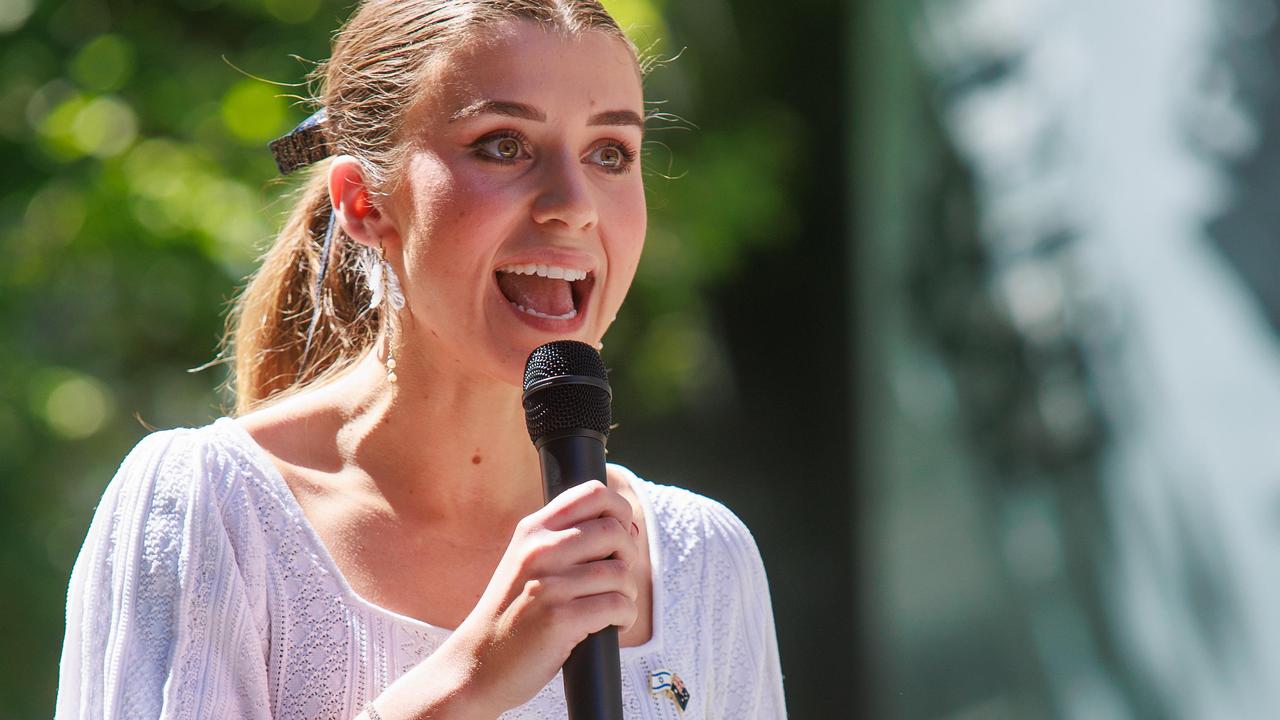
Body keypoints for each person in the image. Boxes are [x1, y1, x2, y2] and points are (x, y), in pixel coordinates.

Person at [55, 1, 786, 718]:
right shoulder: (213, 508)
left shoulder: (703, 563)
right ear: (364, 202)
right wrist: (467, 681)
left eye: (610, 153)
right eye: (505, 145)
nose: (574, 203)